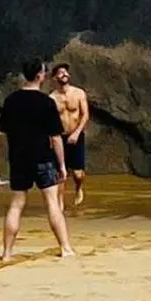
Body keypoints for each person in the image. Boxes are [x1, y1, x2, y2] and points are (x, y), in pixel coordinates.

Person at [0, 60, 74, 261]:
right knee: (52, 202)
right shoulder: (46, 102)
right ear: (40, 76)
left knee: (16, 204)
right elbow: (55, 137)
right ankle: (65, 248)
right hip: (42, 157)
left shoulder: (11, 100)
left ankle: (7, 252)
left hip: (18, 158)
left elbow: (5, 132)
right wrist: (62, 165)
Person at [50, 62, 90, 208]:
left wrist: (77, 133)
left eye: (66, 72)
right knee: (61, 173)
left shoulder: (79, 93)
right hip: (59, 138)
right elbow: (50, 121)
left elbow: (85, 115)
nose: (64, 74)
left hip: (77, 135)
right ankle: (60, 205)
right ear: (55, 77)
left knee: (78, 174)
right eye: (60, 73)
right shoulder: (52, 98)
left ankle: (78, 188)